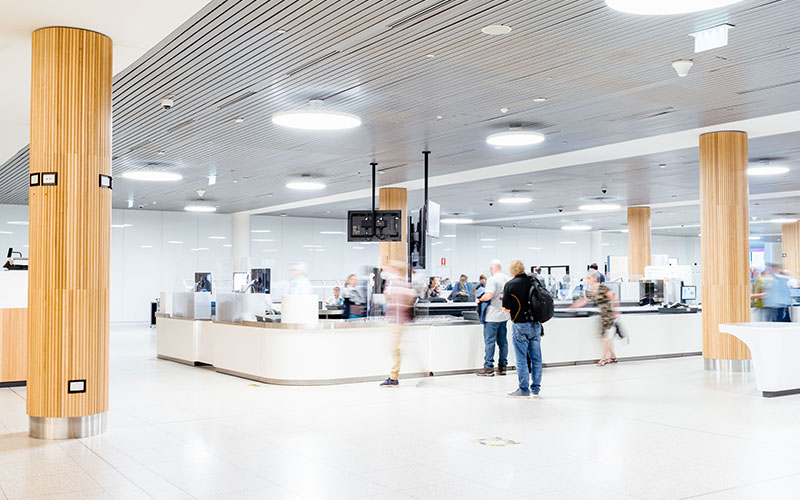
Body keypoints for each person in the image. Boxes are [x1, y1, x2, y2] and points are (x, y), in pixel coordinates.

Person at [502, 259, 543, 398]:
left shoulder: (510, 285)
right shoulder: (534, 281)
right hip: (536, 324)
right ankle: (536, 389)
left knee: (521, 359)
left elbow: (506, 309)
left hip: (520, 325)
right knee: (536, 358)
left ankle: (524, 390)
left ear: (512, 270)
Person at [380, 261, 418, 387]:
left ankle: (393, 377)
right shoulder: (406, 285)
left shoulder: (393, 283)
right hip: (400, 320)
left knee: (394, 349)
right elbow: (411, 298)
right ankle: (393, 376)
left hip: (395, 320)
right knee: (394, 348)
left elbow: (386, 297)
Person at [570, 272, 619, 365]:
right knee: (604, 336)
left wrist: (616, 311)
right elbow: (584, 300)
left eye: (589, 278)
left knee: (604, 336)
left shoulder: (602, 287)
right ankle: (613, 356)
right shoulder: (593, 290)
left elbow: (613, 297)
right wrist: (573, 307)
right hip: (602, 315)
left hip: (607, 315)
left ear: (594, 278)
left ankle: (603, 359)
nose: (587, 280)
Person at [476, 259, 509, 377]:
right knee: (503, 342)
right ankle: (503, 366)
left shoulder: (492, 279)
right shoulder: (507, 278)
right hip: (504, 315)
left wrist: (479, 299)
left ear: (492, 268)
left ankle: (489, 367)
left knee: (490, 342)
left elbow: (489, 295)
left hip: (492, 316)